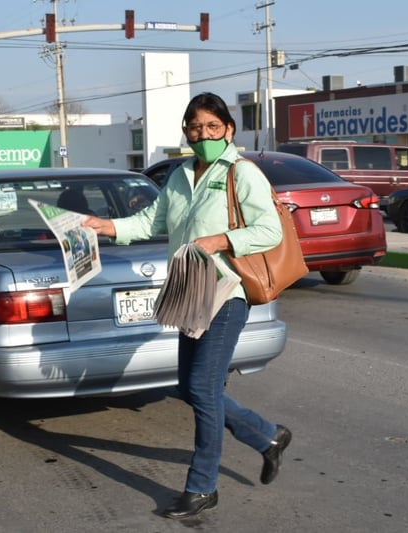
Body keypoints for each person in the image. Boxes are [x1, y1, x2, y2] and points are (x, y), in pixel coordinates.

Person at [82, 92, 292, 519]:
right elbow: (152, 222)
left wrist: (221, 240)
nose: (204, 135)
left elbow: (270, 229)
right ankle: (267, 437)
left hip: (227, 291)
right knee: (190, 385)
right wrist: (106, 226)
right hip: (190, 289)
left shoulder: (242, 173)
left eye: (213, 127)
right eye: (195, 128)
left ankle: (202, 487)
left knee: (200, 388)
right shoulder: (179, 175)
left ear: (229, 130)